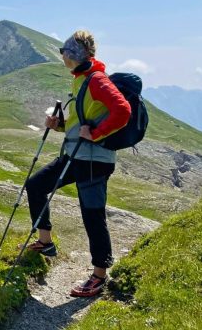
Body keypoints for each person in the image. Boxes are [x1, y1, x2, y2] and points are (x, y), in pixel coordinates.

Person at [23, 30, 131, 297]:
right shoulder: (82, 80)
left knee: (92, 215)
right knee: (36, 185)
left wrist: (95, 135)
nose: (62, 56)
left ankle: (99, 275)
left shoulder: (96, 80)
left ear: (73, 55)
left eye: (64, 52)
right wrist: (58, 125)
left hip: (94, 160)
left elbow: (123, 110)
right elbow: (81, 122)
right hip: (76, 156)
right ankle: (45, 242)